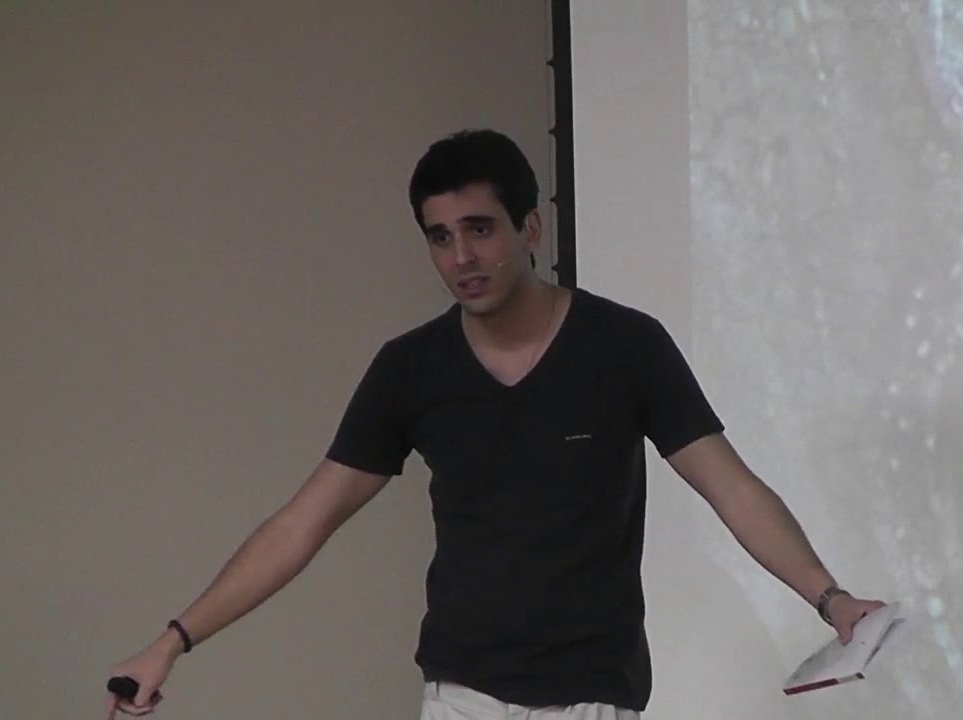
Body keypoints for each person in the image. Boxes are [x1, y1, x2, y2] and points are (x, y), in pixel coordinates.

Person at [104, 128, 885, 719]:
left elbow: (732, 488)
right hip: (462, 694)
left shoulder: (624, 346)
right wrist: (173, 641)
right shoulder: (411, 368)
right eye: (440, 237)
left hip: (593, 692)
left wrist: (832, 600)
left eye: (480, 229)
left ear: (530, 230)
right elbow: (301, 524)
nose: (461, 256)